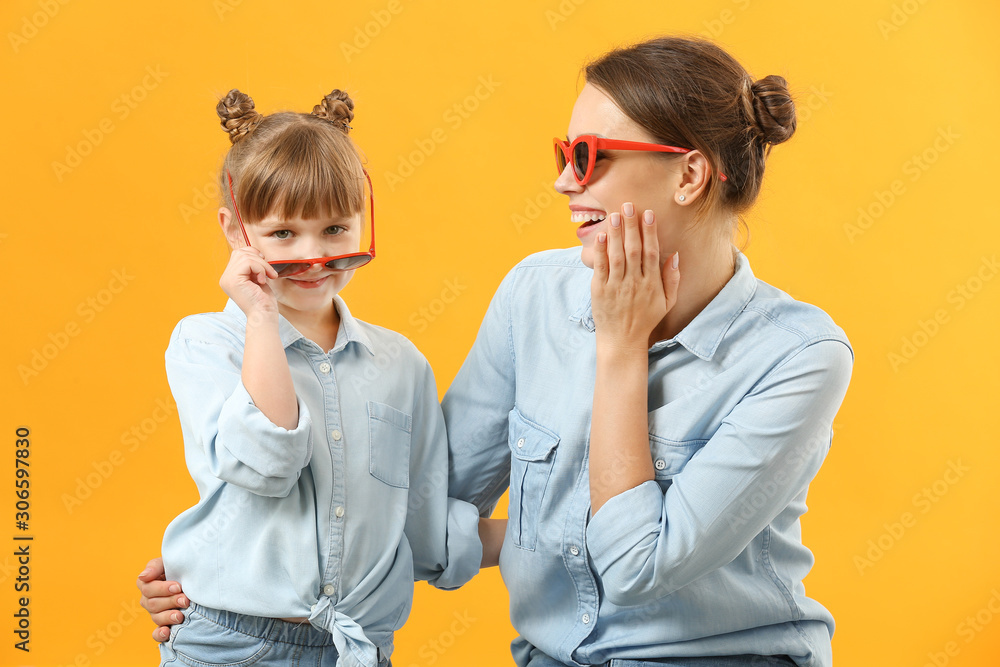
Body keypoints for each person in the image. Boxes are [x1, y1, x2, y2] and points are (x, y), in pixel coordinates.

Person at [140, 37, 852, 667]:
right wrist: (233, 566)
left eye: (587, 157)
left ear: (690, 175)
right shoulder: (535, 296)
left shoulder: (800, 356)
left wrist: (620, 347)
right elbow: (417, 502)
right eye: (562, 156)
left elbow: (636, 566)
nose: (563, 183)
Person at [149, 88, 492, 667]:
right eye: (284, 233)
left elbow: (425, 530)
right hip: (232, 646)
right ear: (237, 231)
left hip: (356, 649)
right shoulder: (207, 343)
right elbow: (267, 463)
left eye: (336, 229)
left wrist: (564, 534)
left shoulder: (401, 364)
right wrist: (261, 316)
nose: (314, 257)